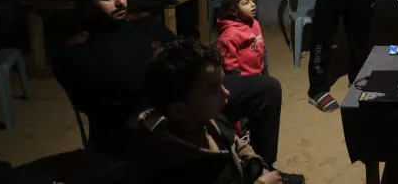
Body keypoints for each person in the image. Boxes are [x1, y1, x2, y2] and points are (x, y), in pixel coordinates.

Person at [52, 0, 283, 165]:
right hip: (142, 118)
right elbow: (121, 88)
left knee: (266, 88)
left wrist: (171, 63)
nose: (121, 1)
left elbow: (187, 50)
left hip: (190, 91)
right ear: (88, 5)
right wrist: (165, 62)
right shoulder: (78, 50)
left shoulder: (143, 25)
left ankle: (263, 167)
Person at [129, 39, 303, 184]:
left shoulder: (208, 119)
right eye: (213, 89)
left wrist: (258, 165)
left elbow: (234, 143)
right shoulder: (176, 168)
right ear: (179, 110)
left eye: (223, 83)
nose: (226, 92)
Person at [216, 0, 268, 76]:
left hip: (258, 73)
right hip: (243, 79)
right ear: (233, 10)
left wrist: (265, 70)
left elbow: (263, 49)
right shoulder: (230, 35)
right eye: (246, 3)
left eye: (253, 1)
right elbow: (230, 67)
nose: (253, 5)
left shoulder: (255, 23)